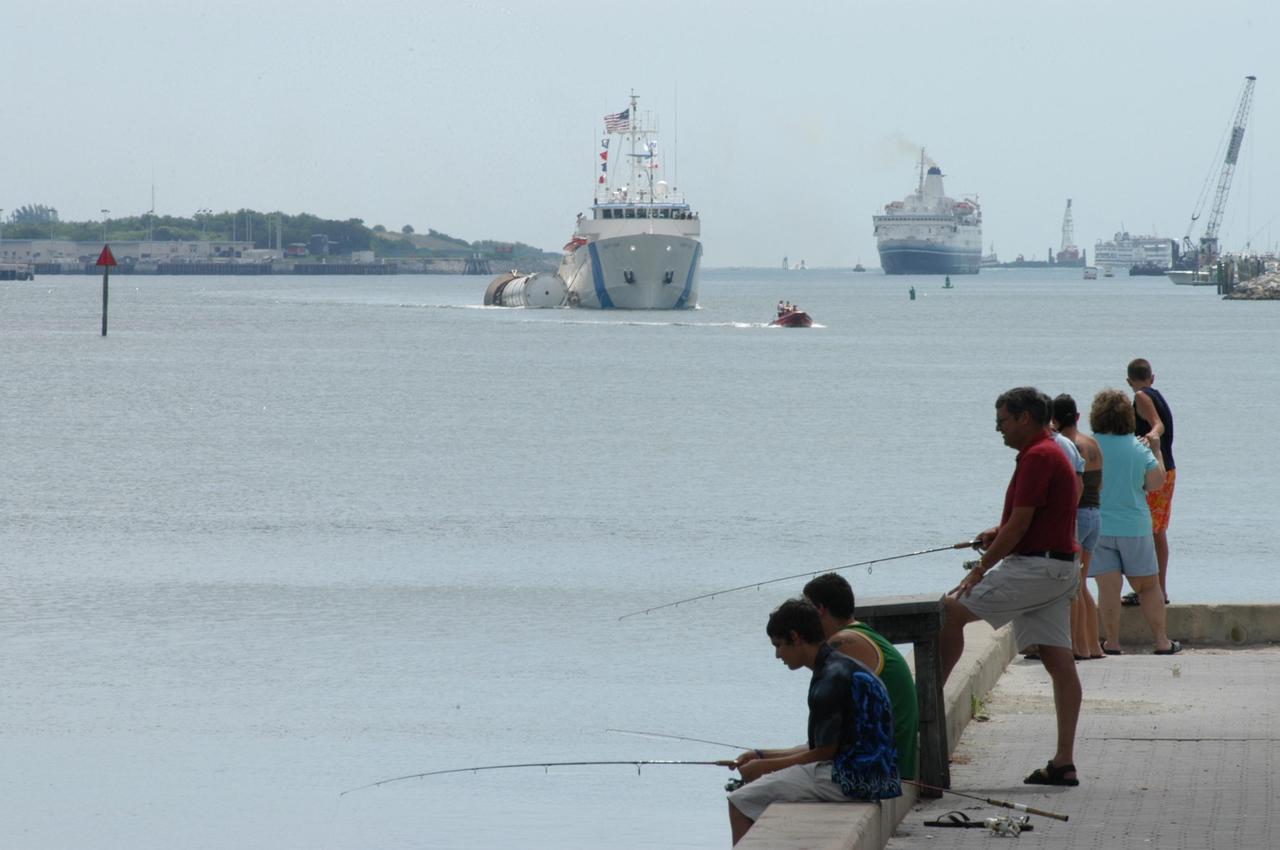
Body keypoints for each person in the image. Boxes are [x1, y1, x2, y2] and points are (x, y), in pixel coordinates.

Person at [939, 387, 1082, 787]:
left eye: (1002, 420)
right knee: (1058, 661)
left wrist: (980, 568)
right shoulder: (1052, 449)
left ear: (1024, 418)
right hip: (1059, 568)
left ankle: (926, 704)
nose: (998, 429)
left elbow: (1020, 525)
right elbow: (1027, 520)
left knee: (949, 612)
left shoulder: (1039, 455)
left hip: (1037, 569)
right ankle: (1063, 762)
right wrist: (996, 532)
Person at [726, 599, 900, 845]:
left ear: (796, 637)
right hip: (877, 777)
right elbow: (819, 746)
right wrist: (762, 755)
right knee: (761, 787)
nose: (777, 655)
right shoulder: (842, 667)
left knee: (740, 801)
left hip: (850, 780)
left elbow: (824, 753)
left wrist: (763, 769)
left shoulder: (829, 680)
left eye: (778, 645)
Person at [802, 572, 919, 780]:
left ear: (819, 610)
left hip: (885, 767)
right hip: (886, 755)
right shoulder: (861, 633)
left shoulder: (843, 643)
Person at [1089, 388, 1180, 655]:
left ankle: (1113, 642)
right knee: (1148, 586)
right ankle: (1161, 641)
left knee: (1108, 586)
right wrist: (1157, 450)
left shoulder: (1088, 445)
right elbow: (1156, 482)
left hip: (1100, 527)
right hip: (1134, 527)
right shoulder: (1137, 447)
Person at [1053, 393, 1105, 660]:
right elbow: (1101, 484)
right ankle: (1093, 645)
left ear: (1053, 420)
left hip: (1078, 515)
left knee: (1073, 587)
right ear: (1077, 417)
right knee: (1083, 584)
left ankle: (1077, 646)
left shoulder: (1067, 445)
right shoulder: (1093, 443)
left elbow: (1074, 485)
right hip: (1096, 514)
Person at [1125, 358, 1176, 605]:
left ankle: (1150, 590)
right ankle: (1159, 590)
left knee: (1148, 531)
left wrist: (1151, 435)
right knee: (1158, 532)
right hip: (1167, 469)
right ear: (1152, 377)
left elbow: (1158, 424)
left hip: (1155, 469)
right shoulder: (1156, 394)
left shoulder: (1142, 396)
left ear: (1128, 381)